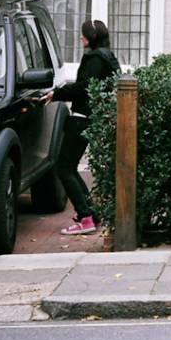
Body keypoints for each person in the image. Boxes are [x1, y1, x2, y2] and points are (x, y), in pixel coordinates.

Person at [41, 19, 120, 235]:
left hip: (82, 118)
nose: (80, 37)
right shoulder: (107, 56)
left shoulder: (94, 59)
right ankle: (91, 215)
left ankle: (86, 217)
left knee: (64, 168)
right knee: (69, 167)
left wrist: (56, 94)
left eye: (83, 34)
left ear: (91, 38)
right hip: (90, 117)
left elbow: (84, 88)